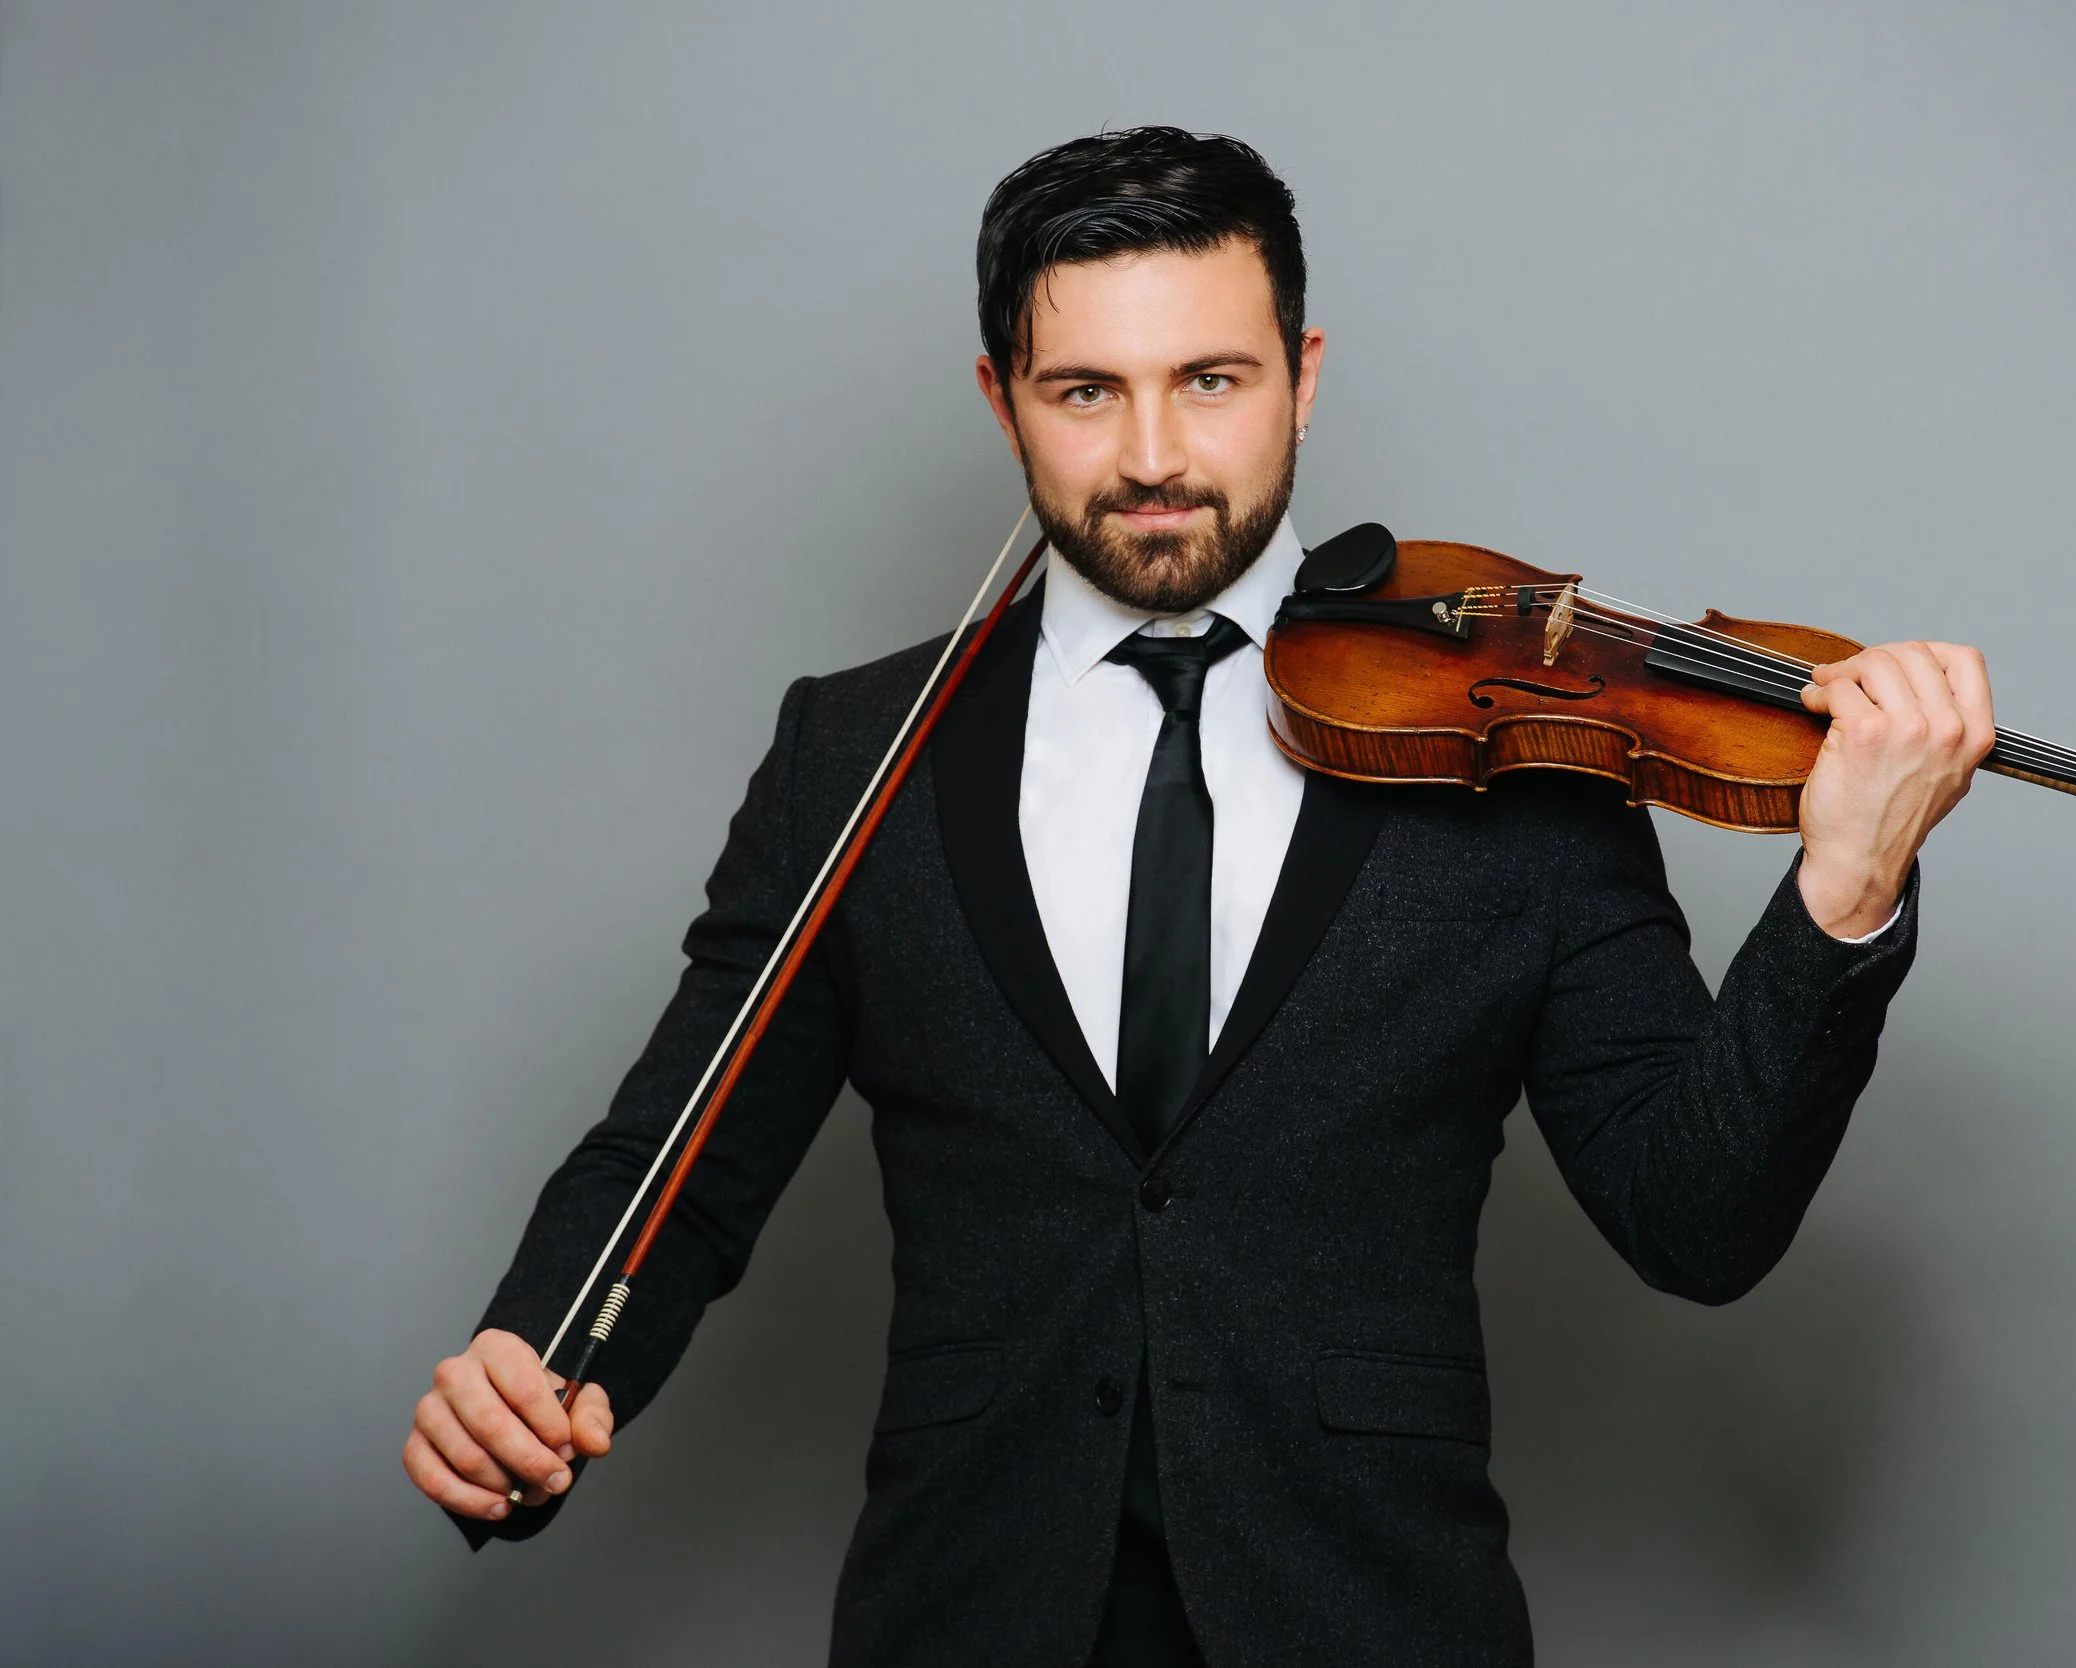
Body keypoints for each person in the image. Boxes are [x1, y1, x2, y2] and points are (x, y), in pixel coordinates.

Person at [402, 126, 1995, 1666]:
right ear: (1002, 400)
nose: (1154, 458)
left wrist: (1842, 894)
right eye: (1084, 390)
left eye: (1211, 381)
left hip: (1370, 1618)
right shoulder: (857, 748)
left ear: (1303, 374)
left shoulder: (1514, 749)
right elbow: (678, 1158)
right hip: (966, 1614)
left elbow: (1694, 1220)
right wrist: (524, 1368)